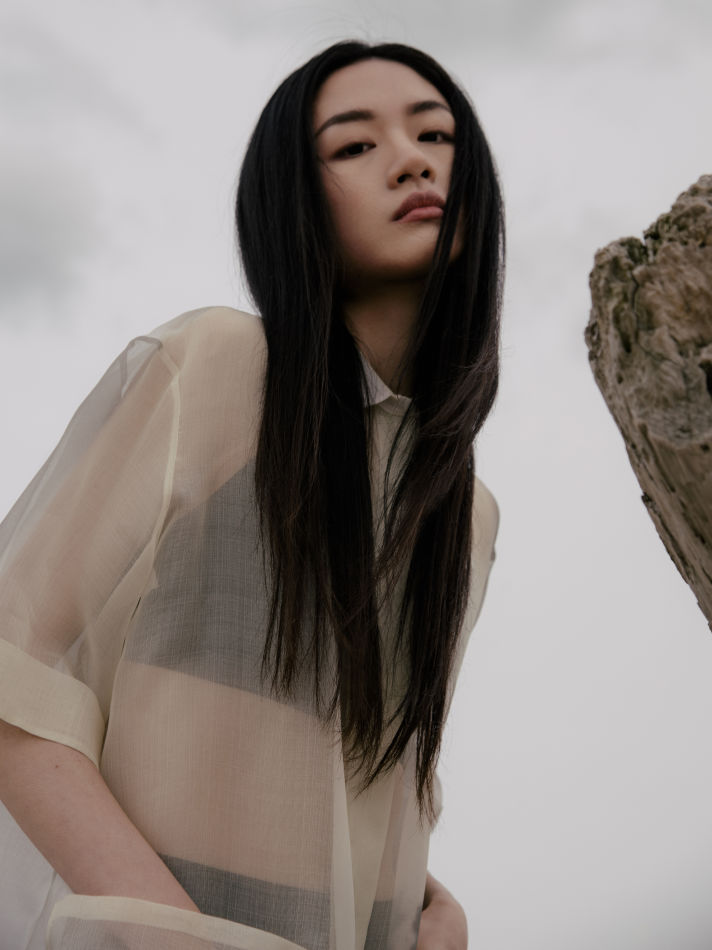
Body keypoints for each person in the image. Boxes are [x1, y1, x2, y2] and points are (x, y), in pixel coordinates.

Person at [0, 40, 503, 950]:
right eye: (355, 145)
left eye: (438, 134)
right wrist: (174, 937)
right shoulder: (216, 370)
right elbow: (14, 676)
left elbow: (359, 779)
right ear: (292, 200)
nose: (413, 159)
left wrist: (438, 912)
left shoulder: (466, 514)